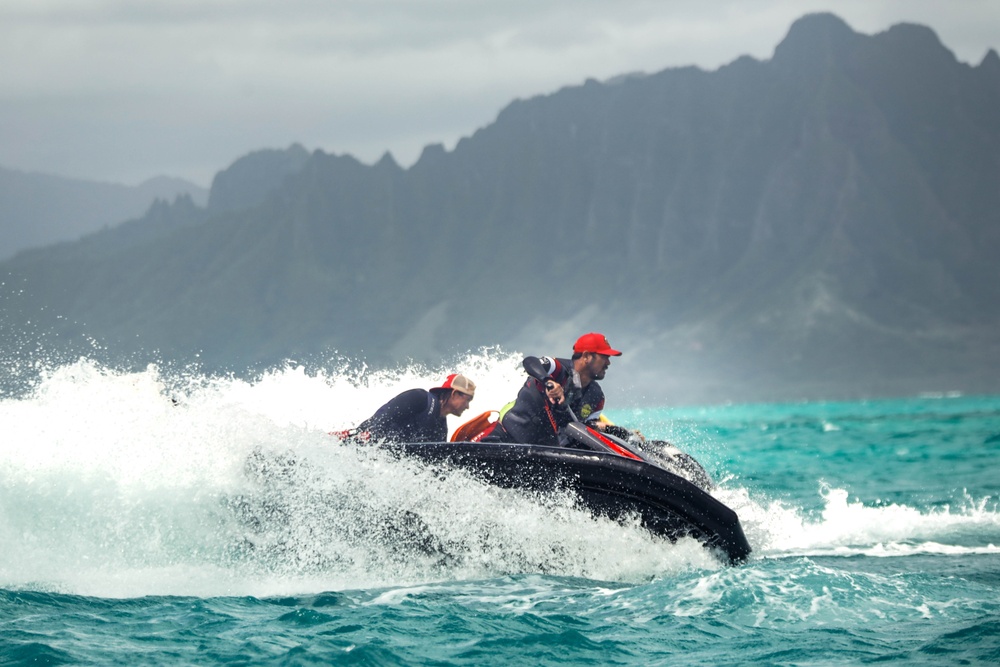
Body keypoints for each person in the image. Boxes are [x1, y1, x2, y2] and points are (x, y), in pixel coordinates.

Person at [485, 332, 622, 447]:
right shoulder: (557, 369)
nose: (608, 363)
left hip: (542, 451)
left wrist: (616, 432)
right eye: (604, 357)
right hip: (506, 436)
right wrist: (548, 382)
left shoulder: (597, 397)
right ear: (586, 356)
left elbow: (587, 429)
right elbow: (530, 361)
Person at [345, 373, 476, 443]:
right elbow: (385, 415)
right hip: (364, 441)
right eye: (468, 400)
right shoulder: (419, 397)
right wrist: (370, 433)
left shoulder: (441, 428)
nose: (468, 406)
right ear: (454, 394)